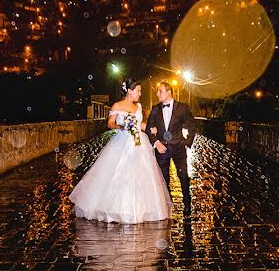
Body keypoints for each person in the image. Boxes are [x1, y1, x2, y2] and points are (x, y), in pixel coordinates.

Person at [68, 78, 172, 224]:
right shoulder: (117, 105)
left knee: (141, 175)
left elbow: (141, 124)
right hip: (122, 142)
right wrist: (122, 126)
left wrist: (153, 129)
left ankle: (141, 209)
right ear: (129, 91)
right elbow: (110, 123)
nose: (140, 94)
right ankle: (117, 209)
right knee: (119, 173)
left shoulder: (139, 107)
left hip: (139, 143)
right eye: (138, 91)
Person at [146, 81, 197, 216]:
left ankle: (187, 202)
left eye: (160, 91)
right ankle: (167, 205)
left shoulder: (182, 108)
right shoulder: (155, 109)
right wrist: (157, 142)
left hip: (179, 148)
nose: (157, 94)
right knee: (163, 178)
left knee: (183, 176)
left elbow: (192, 125)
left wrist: (187, 142)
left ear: (169, 92)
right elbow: (148, 128)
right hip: (162, 149)